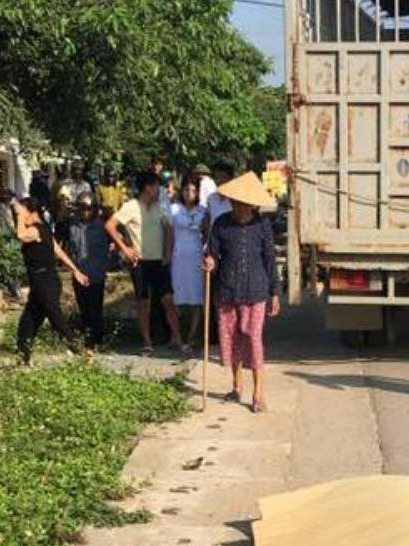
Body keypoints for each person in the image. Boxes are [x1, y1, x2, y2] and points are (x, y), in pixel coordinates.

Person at [201, 172, 280, 413]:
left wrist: (274, 292)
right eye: (235, 202)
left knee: (252, 336)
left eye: (243, 203)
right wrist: (210, 262)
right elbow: (212, 253)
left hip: (256, 289)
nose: (239, 207)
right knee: (232, 336)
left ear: (252, 204)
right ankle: (237, 385)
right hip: (227, 289)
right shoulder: (221, 223)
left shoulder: (262, 225)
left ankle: (258, 392)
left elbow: (269, 258)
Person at [106, 170, 184, 355]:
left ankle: (177, 338)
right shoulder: (130, 206)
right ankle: (147, 341)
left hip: (159, 261)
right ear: (148, 187)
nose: (159, 189)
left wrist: (167, 253)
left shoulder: (161, 206)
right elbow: (109, 225)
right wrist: (125, 248)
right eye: (156, 185)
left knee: (168, 300)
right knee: (143, 302)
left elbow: (168, 229)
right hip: (140, 262)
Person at [13, 196, 88, 365]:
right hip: (43, 281)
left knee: (56, 318)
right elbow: (58, 251)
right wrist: (75, 270)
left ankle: (80, 351)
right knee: (28, 322)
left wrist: (19, 216)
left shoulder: (35, 230)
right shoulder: (44, 228)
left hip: (44, 281)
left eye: (23, 212)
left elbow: (21, 235)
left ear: (31, 212)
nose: (19, 215)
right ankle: (22, 357)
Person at [68, 192, 110, 356]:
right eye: (83, 208)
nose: (86, 212)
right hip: (79, 272)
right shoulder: (72, 226)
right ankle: (88, 338)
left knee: (95, 309)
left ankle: (95, 340)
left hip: (96, 274)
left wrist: (108, 262)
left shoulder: (102, 226)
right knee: (84, 308)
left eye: (89, 209)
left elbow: (117, 241)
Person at [169, 177, 208, 355]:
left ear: (198, 193)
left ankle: (192, 336)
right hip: (178, 256)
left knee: (196, 298)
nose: (189, 193)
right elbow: (168, 234)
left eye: (193, 190)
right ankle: (176, 335)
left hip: (196, 256)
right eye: (186, 190)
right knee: (176, 296)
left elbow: (207, 235)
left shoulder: (203, 211)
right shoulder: (174, 209)